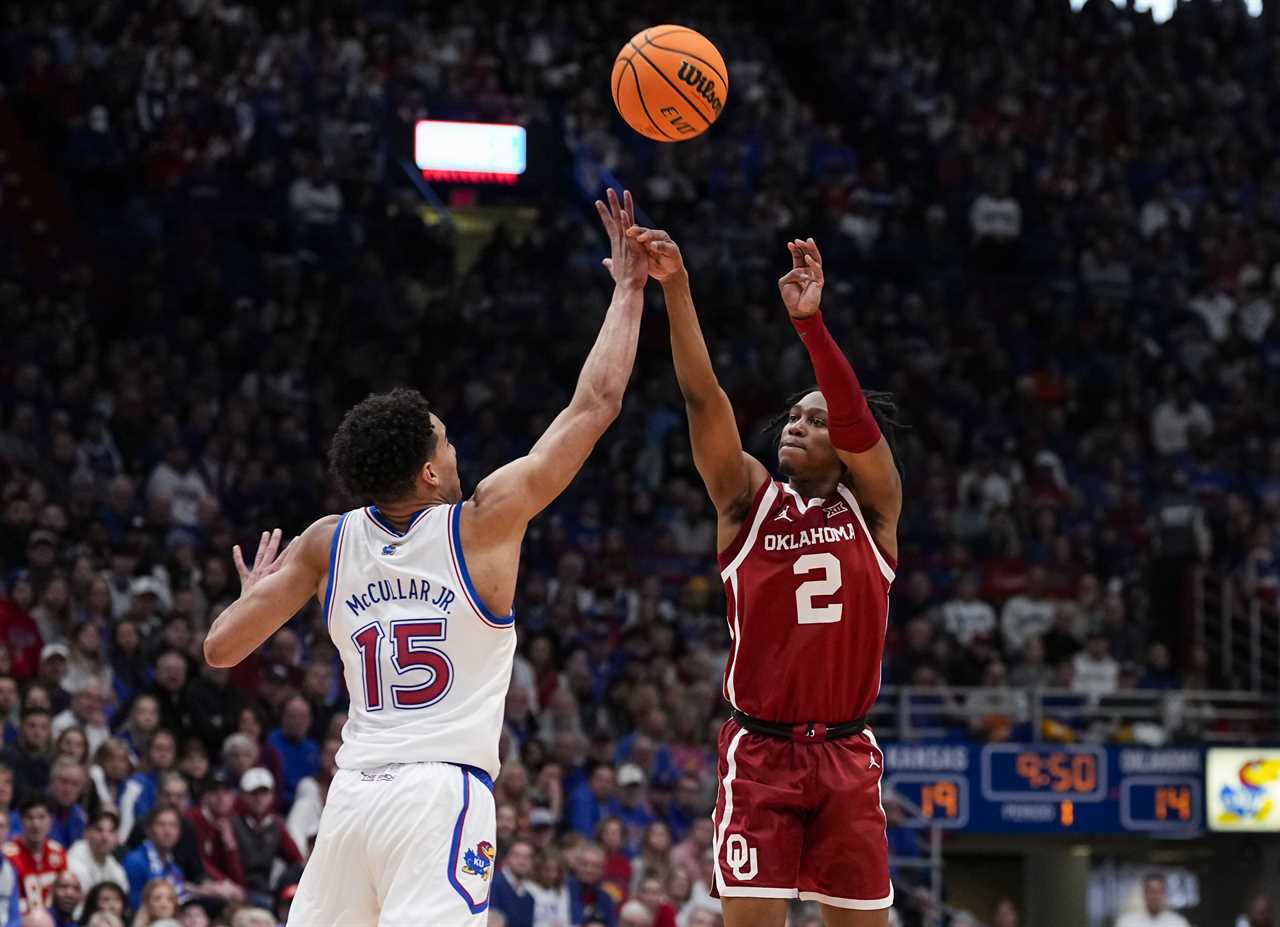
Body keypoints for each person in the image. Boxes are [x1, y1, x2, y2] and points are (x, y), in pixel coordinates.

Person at [201, 189, 650, 927]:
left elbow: (221, 648)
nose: (454, 445)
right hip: (439, 795)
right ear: (429, 474)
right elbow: (594, 404)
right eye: (443, 439)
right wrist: (629, 291)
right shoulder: (482, 525)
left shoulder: (325, 542)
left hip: (350, 802)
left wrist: (256, 594)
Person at [631, 226, 899, 924]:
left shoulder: (873, 507)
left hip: (845, 750)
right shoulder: (747, 500)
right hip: (761, 753)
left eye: (817, 420)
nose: (797, 425)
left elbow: (859, 421)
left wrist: (810, 328)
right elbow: (703, 399)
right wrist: (677, 289)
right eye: (793, 416)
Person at [4, 795, 68, 912]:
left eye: (41, 817)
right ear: (21, 821)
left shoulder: (58, 853)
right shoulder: (8, 856)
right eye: (30, 818)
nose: (36, 824)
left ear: (51, 820)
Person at [67, 811, 129, 895]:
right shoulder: (74, 861)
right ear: (86, 833)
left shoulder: (115, 868)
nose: (105, 837)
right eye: (99, 830)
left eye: (111, 832)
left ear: (117, 838)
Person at [490, 839, 535, 927]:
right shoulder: (493, 884)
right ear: (506, 858)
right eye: (517, 856)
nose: (522, 862)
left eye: (527, 857)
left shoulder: (529, 899)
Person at [1116, 874, 1190, 927]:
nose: (1154, 896)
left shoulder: (1178, 922)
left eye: (1158, 892)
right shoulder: (1127, 922)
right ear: (1144, 893)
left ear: (1164, 894)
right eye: (1151, 891)